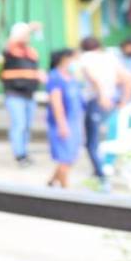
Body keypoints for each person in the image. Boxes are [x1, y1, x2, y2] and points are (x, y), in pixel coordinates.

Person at [78, 36, 131, 188]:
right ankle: (102, 169)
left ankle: (101, 175)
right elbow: (127, 78)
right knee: (107, 137)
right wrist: (124, 101)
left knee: (92, 142)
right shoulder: (109, 57)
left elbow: (94, 78)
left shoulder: (86, 58)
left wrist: (102, 95)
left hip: (98, 101)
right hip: (112, 100)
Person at [0, 21, 45, 167]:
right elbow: (13, 41)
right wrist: (29, 28)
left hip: (29, 95)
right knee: (19, 125)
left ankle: (24, 152)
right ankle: (19, 155)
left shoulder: (31, 52)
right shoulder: (11, 50)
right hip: (14, 94)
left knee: (26, 126)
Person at [45, 49, 85, 189]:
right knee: (65, 159)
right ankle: (66, 191)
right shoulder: (55, 77)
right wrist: (62, 125)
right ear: (64, 59)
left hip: (74, 122)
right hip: (62, 123)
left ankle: (51, 182)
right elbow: (56, 103)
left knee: (71, 158)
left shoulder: (71, 77)